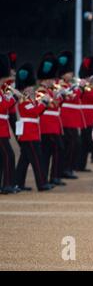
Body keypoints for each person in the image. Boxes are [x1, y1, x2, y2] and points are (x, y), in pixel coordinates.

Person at [14, 63, 54, 192]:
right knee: (37, 159)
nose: (32, 89)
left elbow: (38, 113)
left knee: (24, 161)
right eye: (29, 87)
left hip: (32, 133)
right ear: (24, 89)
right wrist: (43, 102)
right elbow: (34, 112)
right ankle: (42, 184)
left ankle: (18, 183)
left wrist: (43, 104)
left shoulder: (30, 100)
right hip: (28, 134)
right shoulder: (23, 101)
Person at [37, 53, 66, 187]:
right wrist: (57, 97)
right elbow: (52, 105)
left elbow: (55, 105)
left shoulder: (48, 91)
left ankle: (52, 176)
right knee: (50, 152)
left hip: (53, 125)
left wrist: (60, 96)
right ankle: (49, 177)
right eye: (48, 79)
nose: (50, 81)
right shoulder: (41, 92)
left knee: (53, 151)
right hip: (46, 126)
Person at [58, 50, 86, 179]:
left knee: (74, 144)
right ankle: (65, 168)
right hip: (66, 118)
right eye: (69, 72)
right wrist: (79, 88)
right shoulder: (60, 85)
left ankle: (68, 167)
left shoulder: (69, 84)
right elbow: (72, 97)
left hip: (72, 118)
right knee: (70, 144)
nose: (72, 74)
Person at [77, 56, 93, 172]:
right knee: (92, 140)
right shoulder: (83, 86)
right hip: (86, 116)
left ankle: (80, 164)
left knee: (85, 143)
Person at [0, 54, 18, 194]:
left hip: (3, 128)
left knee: (3, 157)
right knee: (9, 156)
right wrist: (13, 98)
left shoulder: (2, 90)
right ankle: (7, 185)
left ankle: (5, 184)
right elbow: (2, 107)